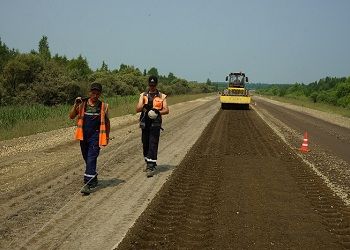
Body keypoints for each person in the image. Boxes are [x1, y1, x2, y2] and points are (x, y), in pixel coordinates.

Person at [69, 82, 110, 195]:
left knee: (92, 158)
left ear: (100, 94)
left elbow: (107, 122)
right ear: (89, 92)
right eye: (93, 93)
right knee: (87, 158)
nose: (95, 95)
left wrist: (107, 136)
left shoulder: (103, 106)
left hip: (96, 136)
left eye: (97, 93)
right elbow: (72, 116)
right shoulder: (82, 104)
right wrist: (75, 104)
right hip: (83, 136)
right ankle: (93, 176)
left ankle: (88, 183)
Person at [136, 75, 169, 177]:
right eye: (150, 85)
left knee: (153, 143)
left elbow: (166, 110)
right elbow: (137, 109)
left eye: (153, 85)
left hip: (155, 123)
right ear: (148, 84)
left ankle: (151, 166)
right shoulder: (143, 95)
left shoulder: (162, 96)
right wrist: (143, 106)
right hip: (145, 122)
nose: (152, 87)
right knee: (145, 143)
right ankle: (148, 162)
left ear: (156, 85)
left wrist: (157, 111)